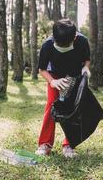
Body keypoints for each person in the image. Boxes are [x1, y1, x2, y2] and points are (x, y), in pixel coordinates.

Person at [35, 19, 91, 158]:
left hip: (74, 75)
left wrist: (85, 68)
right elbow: (42, 69)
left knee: (72, 108)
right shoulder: (47, 45)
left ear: (75, 37)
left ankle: (69, 145)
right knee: (52, 106)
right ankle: (45, 144)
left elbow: (86, 60)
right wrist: (52, 82)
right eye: (59, 45)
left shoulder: (82, 41)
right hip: (54, 75)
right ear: (54, 38)